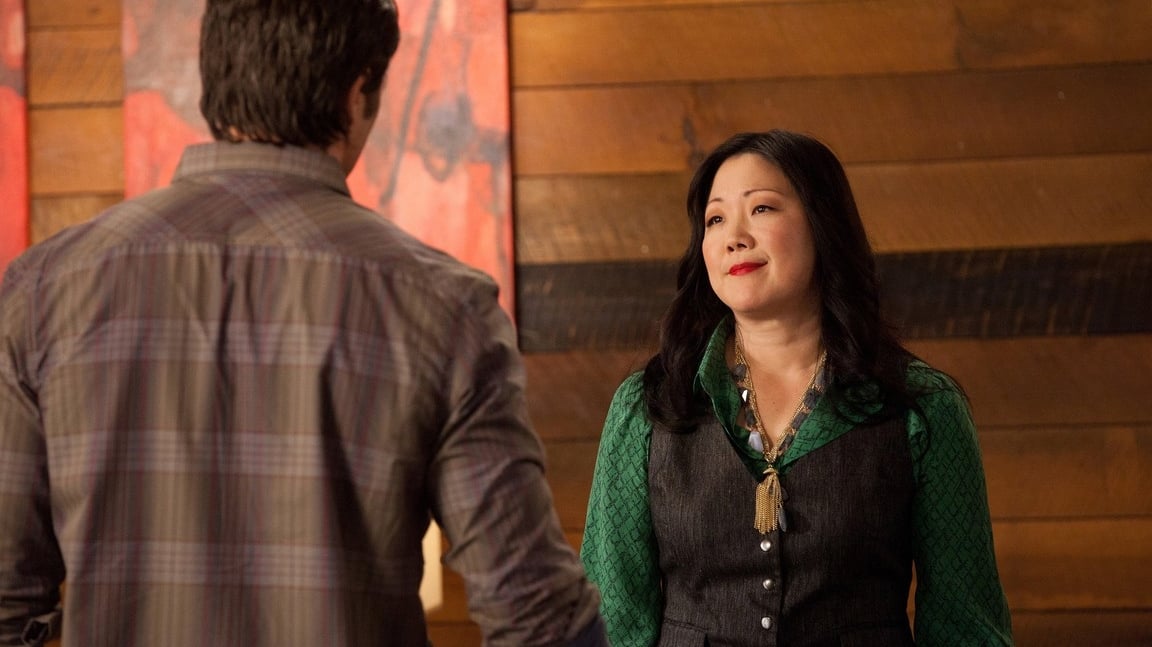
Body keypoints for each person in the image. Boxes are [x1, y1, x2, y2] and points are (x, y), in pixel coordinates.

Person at [0, 1, 606, 645]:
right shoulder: (445, 305)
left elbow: (7, 603)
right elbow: (538, 619)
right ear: (357, 92)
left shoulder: (43, 289)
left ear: (214, 78)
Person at [580, 130, 1012, 646]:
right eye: (715, 219)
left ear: (822, 224)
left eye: (761, 208)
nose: (734, 236)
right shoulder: (646, 406)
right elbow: (612, 621)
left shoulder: (923, 407)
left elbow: (965, 629)